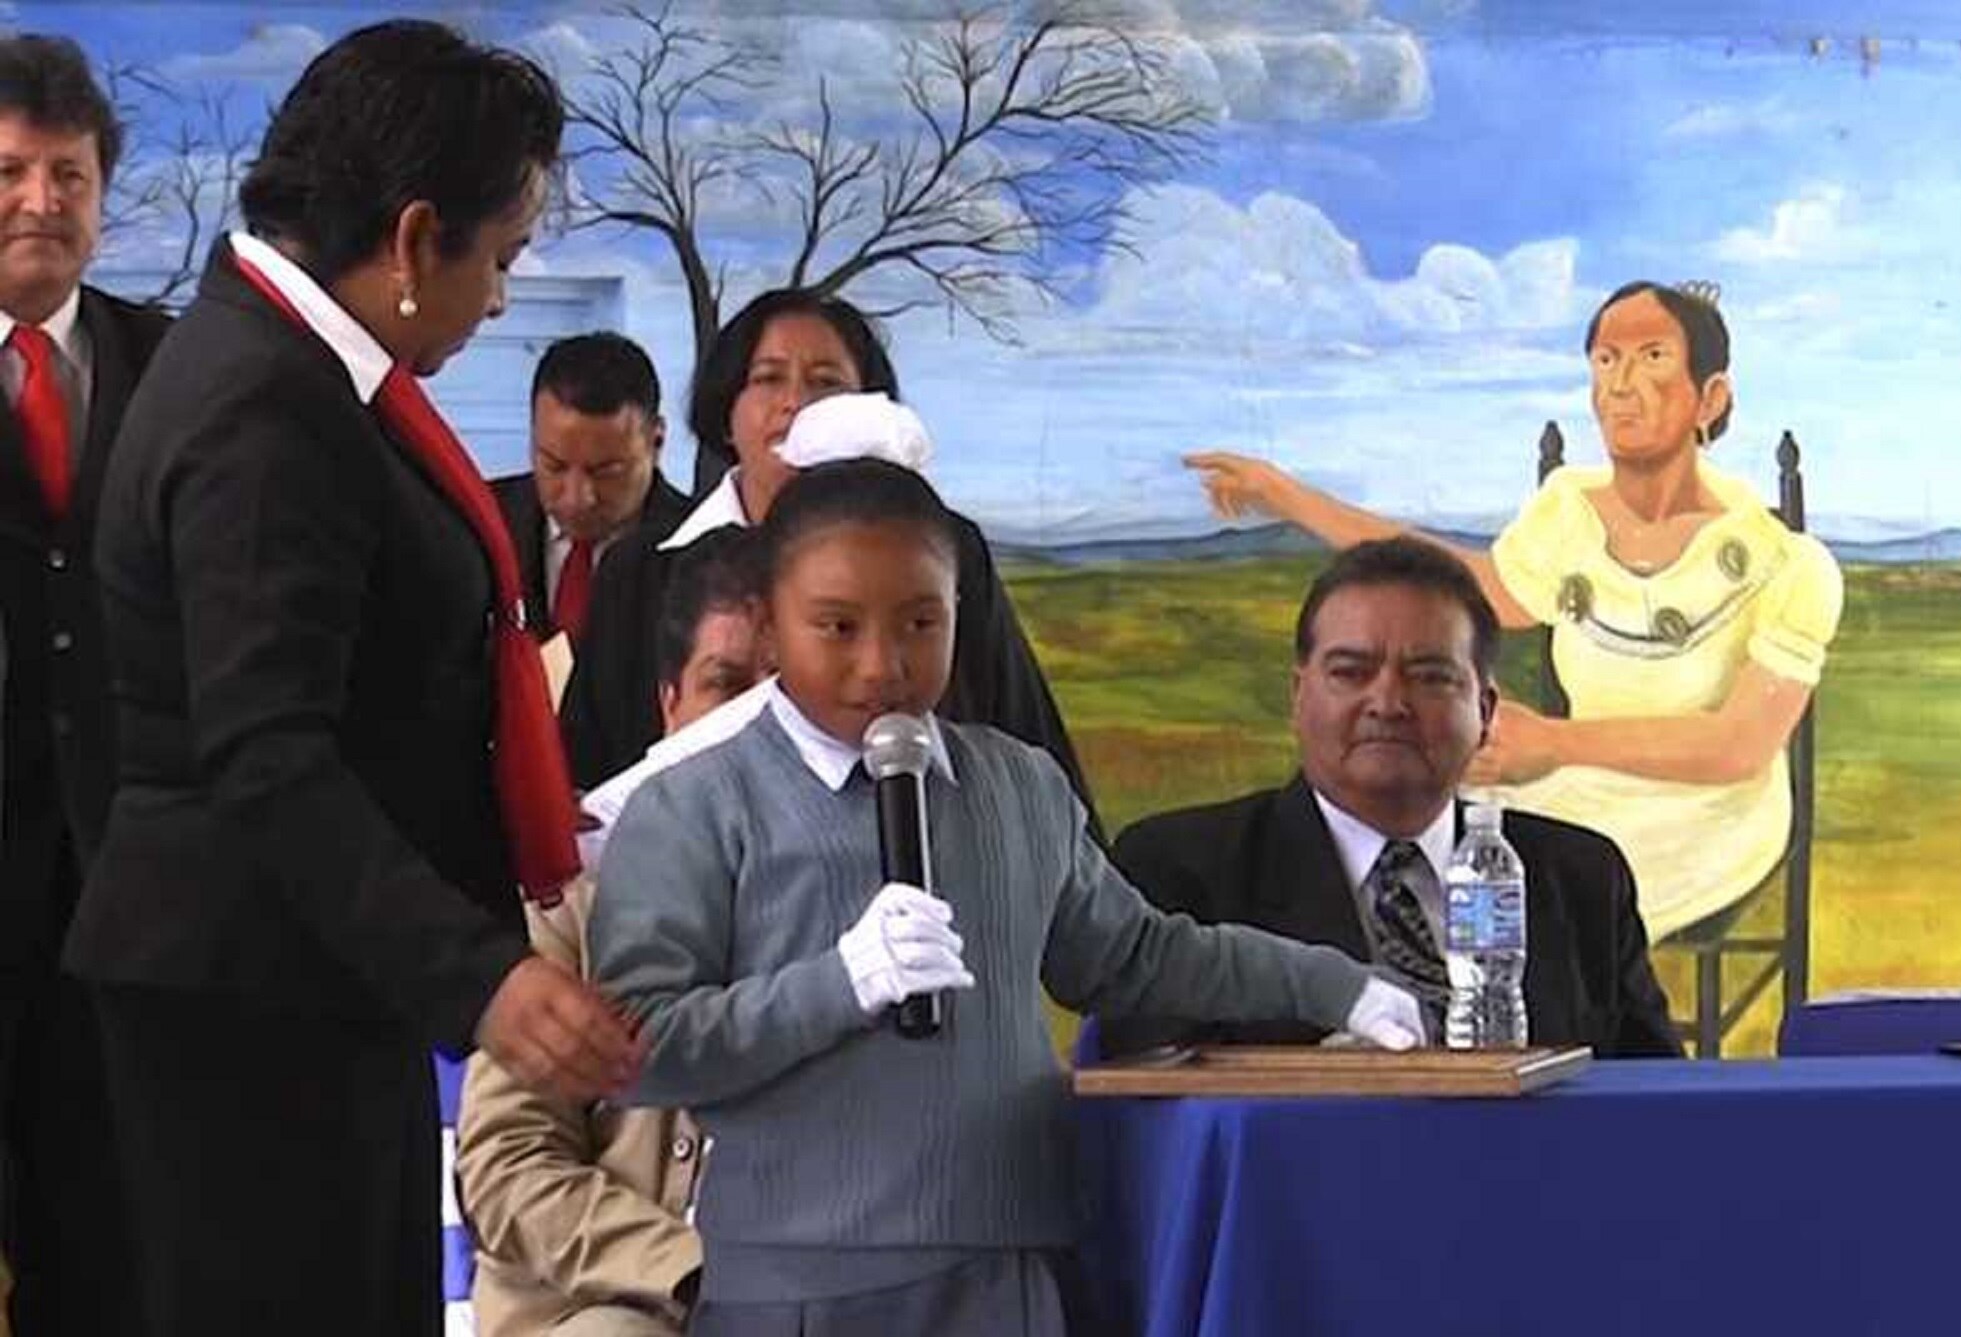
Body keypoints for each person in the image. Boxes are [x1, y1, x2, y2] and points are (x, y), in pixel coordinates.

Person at [62, 23, 642, 1334]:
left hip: (312, 974)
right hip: (247, 999)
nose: (499, 297)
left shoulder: (288, 369)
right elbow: (267, 754)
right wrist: (481, 976)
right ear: (412, 235)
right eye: (497, 258)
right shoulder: (264, 409)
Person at [590, 458, 1425, 1337]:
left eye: (922, 621)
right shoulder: (694, 803)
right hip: (793, 1288)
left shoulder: (1019, 786)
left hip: (1011, 1275)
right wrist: (837, 982)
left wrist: (1332, 983)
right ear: (768, 617)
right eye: (836, 625)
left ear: (961, 612)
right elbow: (637, 1046)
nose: (883, 664)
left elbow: (1139, 956)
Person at [1185, 281, 1842, 939]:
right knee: (1402, 851)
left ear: (1712, 396)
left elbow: (1740, 745)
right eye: (1606, 360)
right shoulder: (1569, 512)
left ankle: (1526, 1032)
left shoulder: (1785, 562)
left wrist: (1553, 743)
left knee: (1513, 904)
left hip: (1710, 816)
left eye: (1651, 357)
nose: (1620, 384)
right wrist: (1288, 496)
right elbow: (1454, 582)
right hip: (1578, 788)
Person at [1099, 538, 1679, 1060]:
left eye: (1430, 677)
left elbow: (1658, 1111)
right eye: (1351, 672)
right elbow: (1154, 1108)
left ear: (1485, 712)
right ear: (1299, 698)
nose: (1388, 702)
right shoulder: (1180, 870)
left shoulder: (1579, 878)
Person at [559, 289, 1095, 840]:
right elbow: (586, 766)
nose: (795, 403)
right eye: (768, 378)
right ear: (726, 412)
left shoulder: (944, 548)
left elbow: (1021, 726)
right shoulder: (643, 569)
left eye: (826, 383)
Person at [456, 526, 766, 1337]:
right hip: (613, 1307)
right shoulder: (575, 900)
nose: (757, 726)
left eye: (787, 694)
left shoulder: (883, 900)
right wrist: (688, 1270)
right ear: (671, 704)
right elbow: (507, 1164)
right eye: (727, 686)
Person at [0, 33, 170, 1334]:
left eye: (68, 175)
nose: (40, 202)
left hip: (137, 874)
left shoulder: (177, 368)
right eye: (10, 171)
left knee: (112, 1220)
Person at [491, 331, 693, 644]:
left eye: (606, 471)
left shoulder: (701, 547)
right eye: (554, 466)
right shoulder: (479, 521)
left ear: (656, 442)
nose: (578, 498)